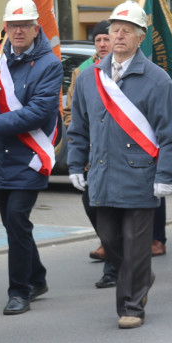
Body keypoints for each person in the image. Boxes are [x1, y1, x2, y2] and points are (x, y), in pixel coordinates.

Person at [67, 1, 172, 329]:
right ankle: (142, 276)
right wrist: (75, 164)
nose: (118, 36)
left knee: (134, 245)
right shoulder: (91, 78)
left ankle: (131, 305)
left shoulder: (157, 79)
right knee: (110, 239)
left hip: (140, 175)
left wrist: (166, 175)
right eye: (114, 30)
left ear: (140, 37)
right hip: (102, 174)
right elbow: (78, 127)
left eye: (126, 31)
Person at [0, 0, 62, 315]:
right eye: (13, 25)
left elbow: (37, 113)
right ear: (5, 27)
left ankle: (19, 291)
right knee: (15, 225)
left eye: (25, 25)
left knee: (16, 220)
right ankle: (37, 276)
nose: (18, 31)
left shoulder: (50, 64)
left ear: (37, 29)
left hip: (28, 156)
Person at [64, 20, 110, 266]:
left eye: (106, 39)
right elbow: (70, 112)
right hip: (92, 152)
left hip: (120, 151)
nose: (102, 44)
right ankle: (107, 241)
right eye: (98, 40)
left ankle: (116, 257)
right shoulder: (81, 73)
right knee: (90, 201)